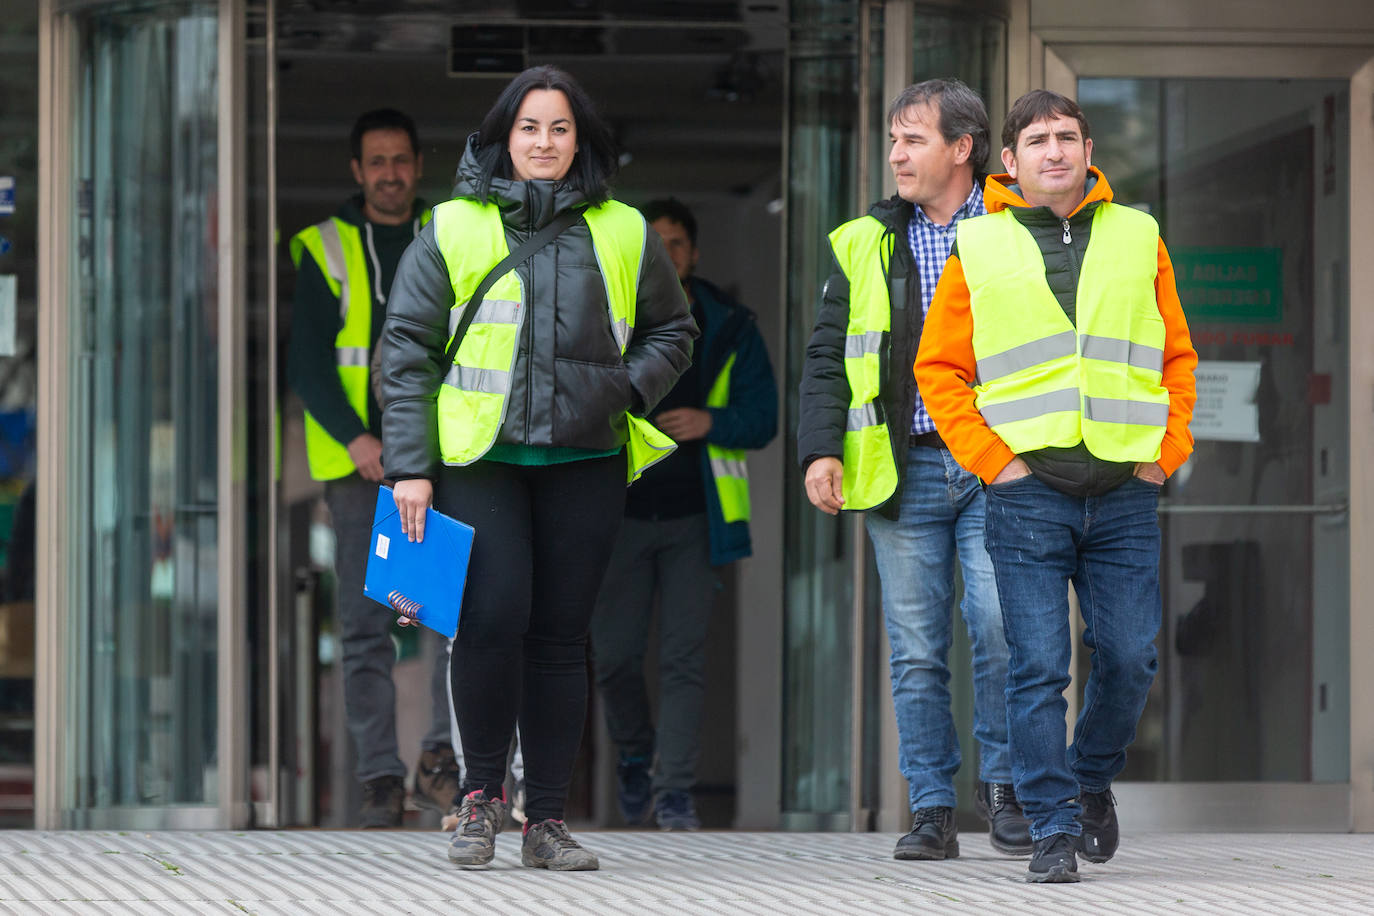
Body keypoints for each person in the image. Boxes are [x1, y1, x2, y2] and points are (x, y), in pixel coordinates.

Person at [379, 65, 695, 871]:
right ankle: (481, 800)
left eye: (559, 129)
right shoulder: (451, 226)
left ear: (578, 140)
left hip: (586, 457)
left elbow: (674, 329)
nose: (544, 142)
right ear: (502, 137)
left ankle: (545, 819)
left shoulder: (623, 229)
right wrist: (410, 467)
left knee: (561, 637)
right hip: (480, 458)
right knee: (489, 621)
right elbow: (405, 352)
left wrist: (623, 388)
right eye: (529, 128)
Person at [915, 89, 1197, 883]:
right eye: (1036, 140)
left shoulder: (1138, 233)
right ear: (1008, 162)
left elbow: (1178, 355)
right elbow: (939, 370)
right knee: (1036, 666)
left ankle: (1088, 779)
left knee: (1132, 657)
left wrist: (1163, 451)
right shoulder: (980, 245)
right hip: (1027, 491)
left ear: (1088, 147)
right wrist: (992, 461)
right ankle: (1049, 828)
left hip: (1125, 489)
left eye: (1066, 137)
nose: (1054, 152)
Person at [798, 79, 1031, 861]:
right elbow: (829, 354)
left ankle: (1003, 790)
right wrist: (820, 448)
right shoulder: (865, 238)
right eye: (893, 140)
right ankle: (931, 806)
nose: (896, 154)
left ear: (961, 149)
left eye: (913, 139)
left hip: (997, 465)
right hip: (905, 469)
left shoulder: (1019, 226)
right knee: (917, 647)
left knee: (1001, 629)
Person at [287, 108, 460, 828]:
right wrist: (360, 440)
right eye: (376, 162)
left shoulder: (451, 236)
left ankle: (442, 759)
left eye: (401, 160)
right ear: (358, 173)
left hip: (440, 459)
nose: (390, 173)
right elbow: (308, 359)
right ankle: (380, 777)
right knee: (365, 626)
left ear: (419, 166)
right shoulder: (322, 248)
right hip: (360, 470)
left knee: (442, 618)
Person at [591, 198, 778, 831]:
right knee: (612, 656)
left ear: (694, 254)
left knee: (682, 659)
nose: (666, 253)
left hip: (698, 519)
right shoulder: (607, 317)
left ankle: (672, 792)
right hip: (615, 519)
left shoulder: (730, 325)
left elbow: (765, 417)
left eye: (676, 243)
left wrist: (710, 422)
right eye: (654, 243)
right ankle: (636, 753)